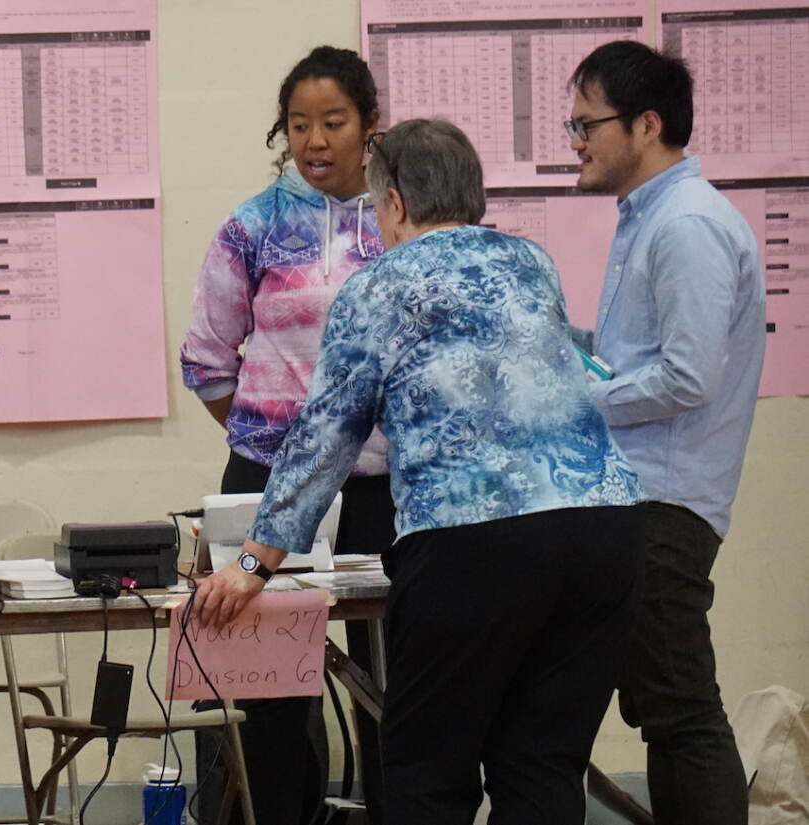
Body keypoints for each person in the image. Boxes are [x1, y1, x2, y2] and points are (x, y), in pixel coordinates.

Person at [191, 119, 645, 825]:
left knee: (427, 773)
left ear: (395, 204)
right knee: (541, 764)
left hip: (475, 540)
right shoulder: (532, 263)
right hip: (604, 529)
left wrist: (253, 558)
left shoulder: (379, 285)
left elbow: (326, 434)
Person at [179, 45, 393, 825]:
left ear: (371, 124)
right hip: (267, 484)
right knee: (271, 695)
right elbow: (206, 358)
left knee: (392, 684)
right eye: (299, 124)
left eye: (333, 121)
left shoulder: (404, 217)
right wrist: (269, 431)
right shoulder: (255, 224)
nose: (315, 140)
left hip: (385, 486)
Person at [567, 40, 766, 825]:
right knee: (664, 708)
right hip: (638, 497)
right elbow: (634, 364)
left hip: (666, 504)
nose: (576, 142)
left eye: (587, 125)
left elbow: (687, 378)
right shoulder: (647, 217)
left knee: (681, 710)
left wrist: (578, 397)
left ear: (646, 124)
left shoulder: (686, 224)